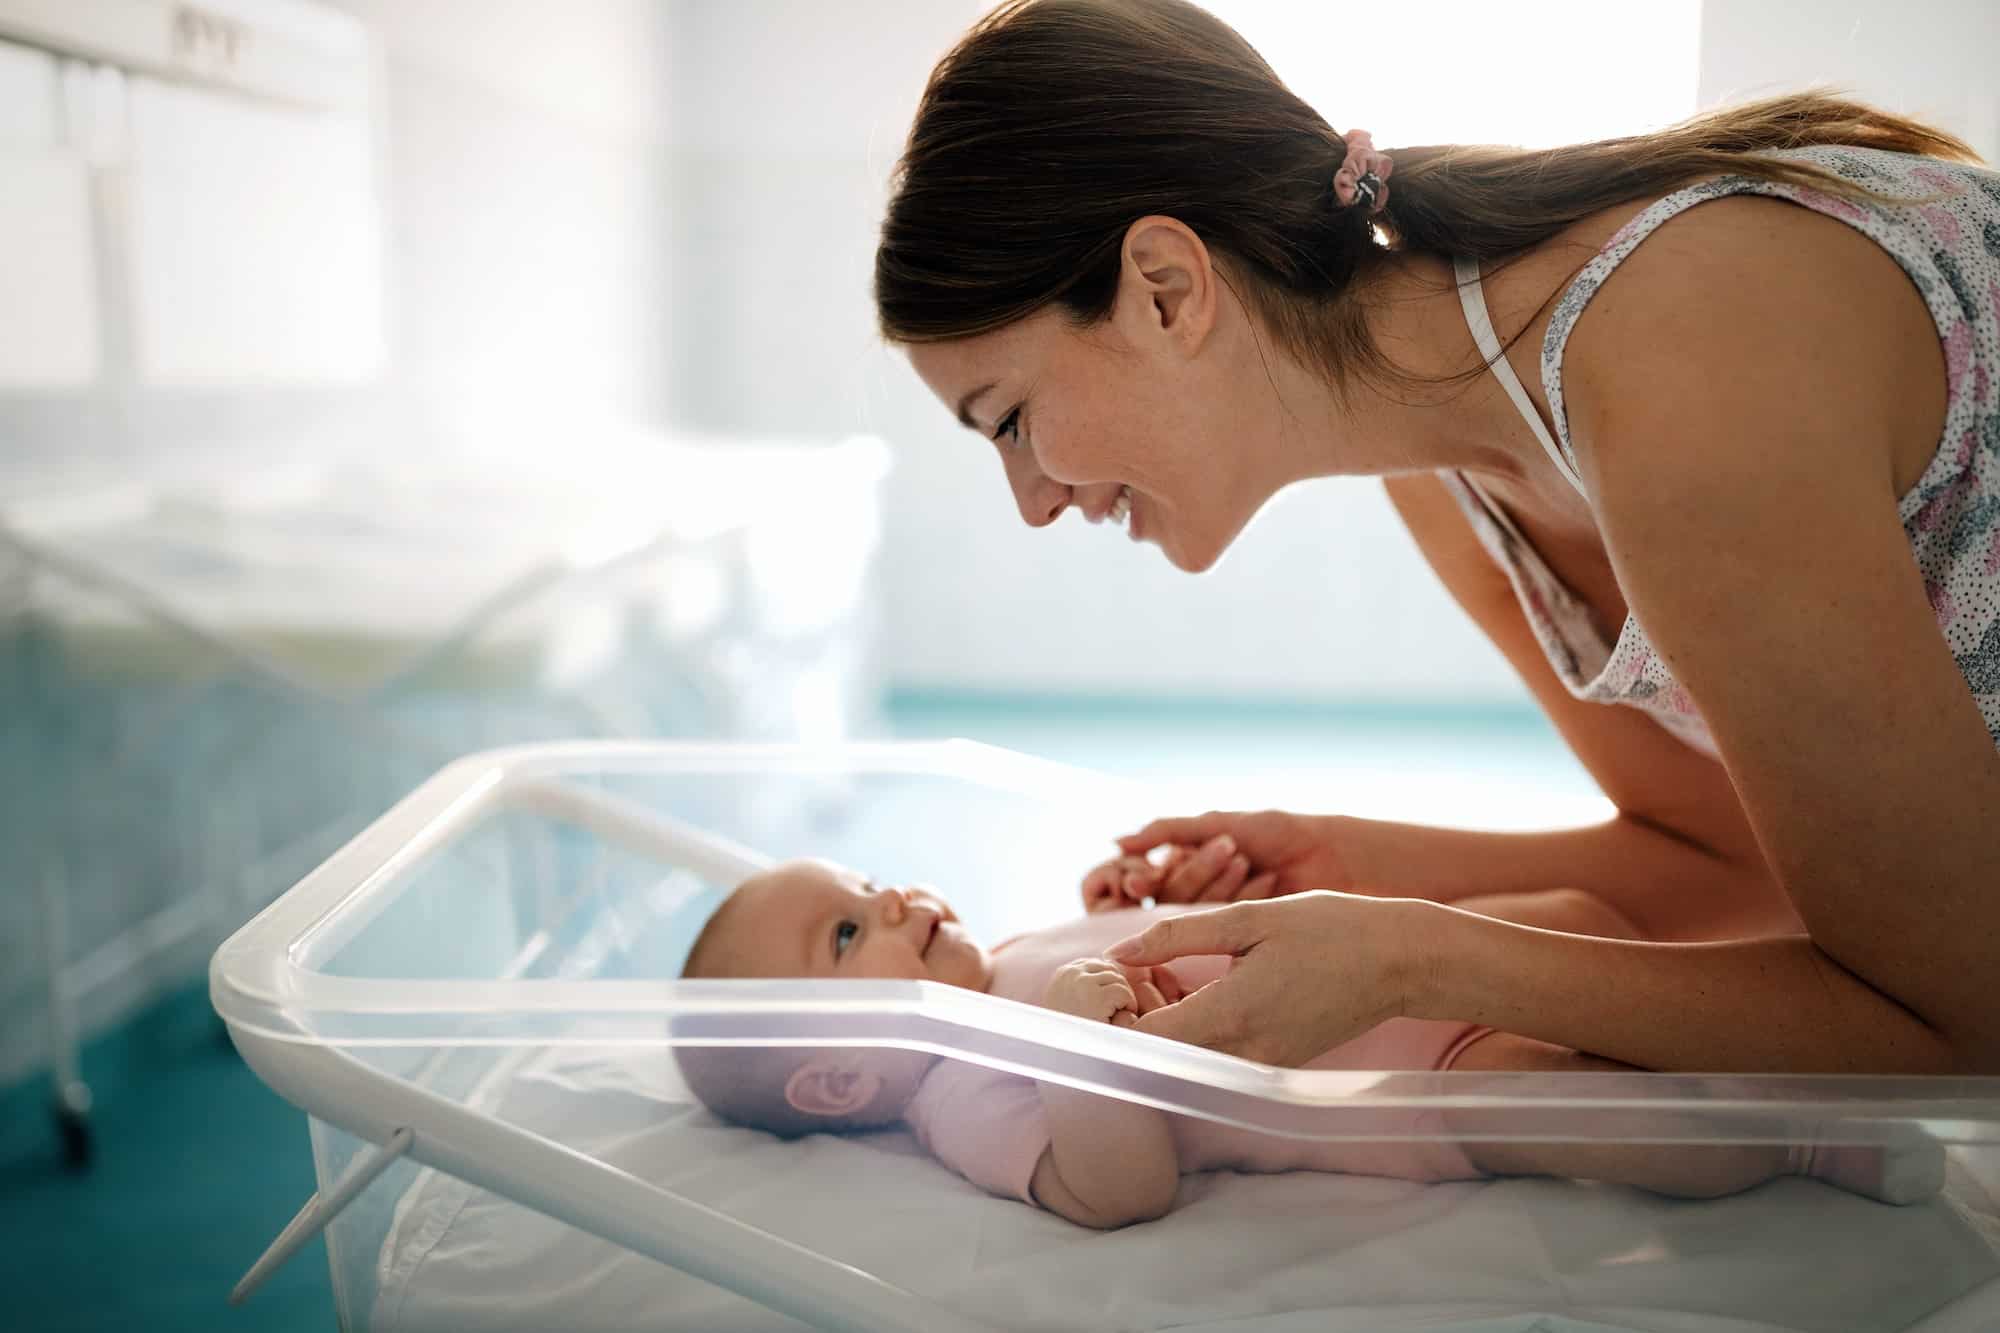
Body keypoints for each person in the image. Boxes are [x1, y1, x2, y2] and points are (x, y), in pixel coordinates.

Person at [874, 0, 2000, 1076]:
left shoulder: (1679, 378)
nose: (1031, 500)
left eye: (1009, 419)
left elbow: (1959, 1028)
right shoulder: (1444, 464)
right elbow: (1732, 862)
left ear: (1165, 289)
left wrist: (1416, 958)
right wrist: (1353, 866)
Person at [676, 860, 1938, 1229]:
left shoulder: (1009, 948)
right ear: (839, 1076)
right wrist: (1082, 1044)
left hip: (1426, 962)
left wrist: (1148, 893)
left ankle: (1740, 1015)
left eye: (868, 885)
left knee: (1573, 925)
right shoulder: (962, 1098)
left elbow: (1167, 935)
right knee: (1609, 1124)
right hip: (1417, 1088)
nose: (896, 901)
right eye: (849, 930)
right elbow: (1117, 1190)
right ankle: (1809, 1134)